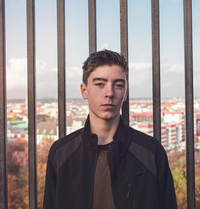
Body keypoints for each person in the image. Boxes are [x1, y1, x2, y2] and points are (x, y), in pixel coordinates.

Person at [43, 49, 177, 209]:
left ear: (126, 92)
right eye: (100, 84)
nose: (110, 93)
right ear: (84, 90)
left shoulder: (151, 152)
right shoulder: (61, 153)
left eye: (118, 85)